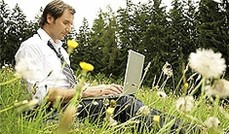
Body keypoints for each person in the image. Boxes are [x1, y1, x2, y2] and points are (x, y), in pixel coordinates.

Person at [15, 0, 199, 133]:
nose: (69, 28)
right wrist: (87, 92)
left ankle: (188, 129)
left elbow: (69, 88)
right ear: (49, 18)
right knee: (123, 103)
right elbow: (40, 94)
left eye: (71, 24)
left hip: (70, 104)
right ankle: (193, 132)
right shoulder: (31, 47)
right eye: (66, 22)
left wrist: (96, 91)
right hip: (50, 111)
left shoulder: (61, 51)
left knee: (122, 99)